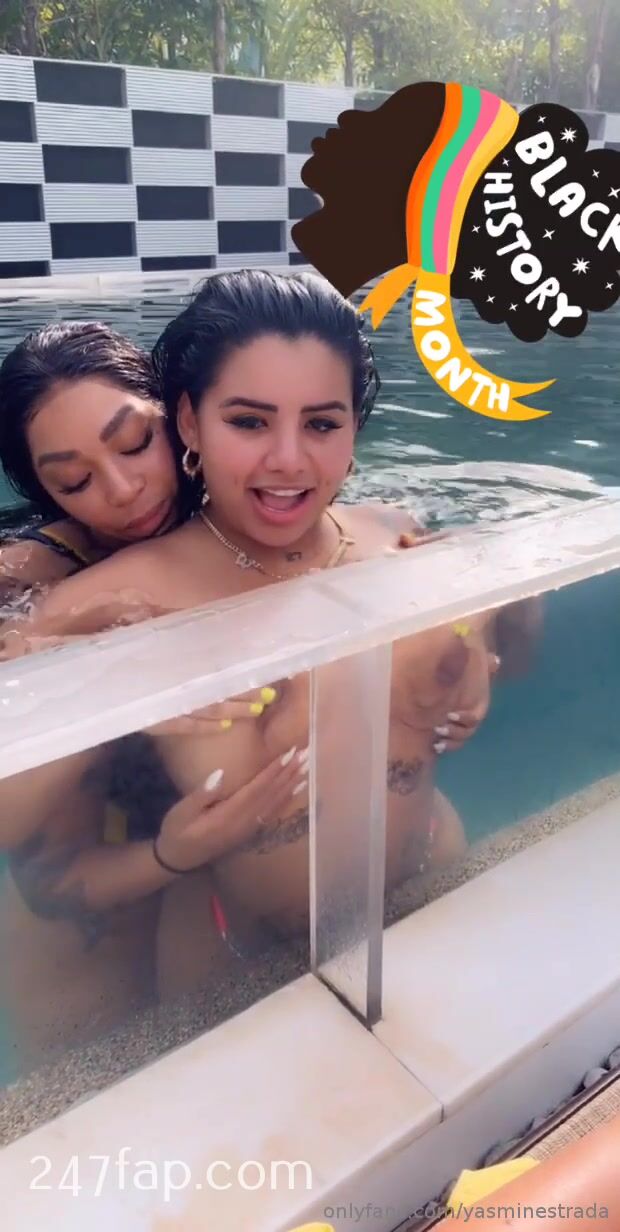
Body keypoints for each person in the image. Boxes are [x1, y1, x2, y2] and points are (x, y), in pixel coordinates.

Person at [10, 268, 526, 1001]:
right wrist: (103, 684)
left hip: (435, 877)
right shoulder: (116, 599)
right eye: (249, 422)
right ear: (189, 424)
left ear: (355, 426)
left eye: (322, 423)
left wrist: (475, 624)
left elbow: (523, 637)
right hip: (241, 956)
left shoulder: (398, 536)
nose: (289, 459)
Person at [0, 318, 305, 1066]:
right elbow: (40, 872)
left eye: (136, 442)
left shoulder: (244, 510)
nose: (122, 489)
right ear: (43, 491)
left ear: (183, 419)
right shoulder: (39, 584)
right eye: (74, 482)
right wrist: (108, 678)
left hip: (217, 899)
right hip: (89, 943)